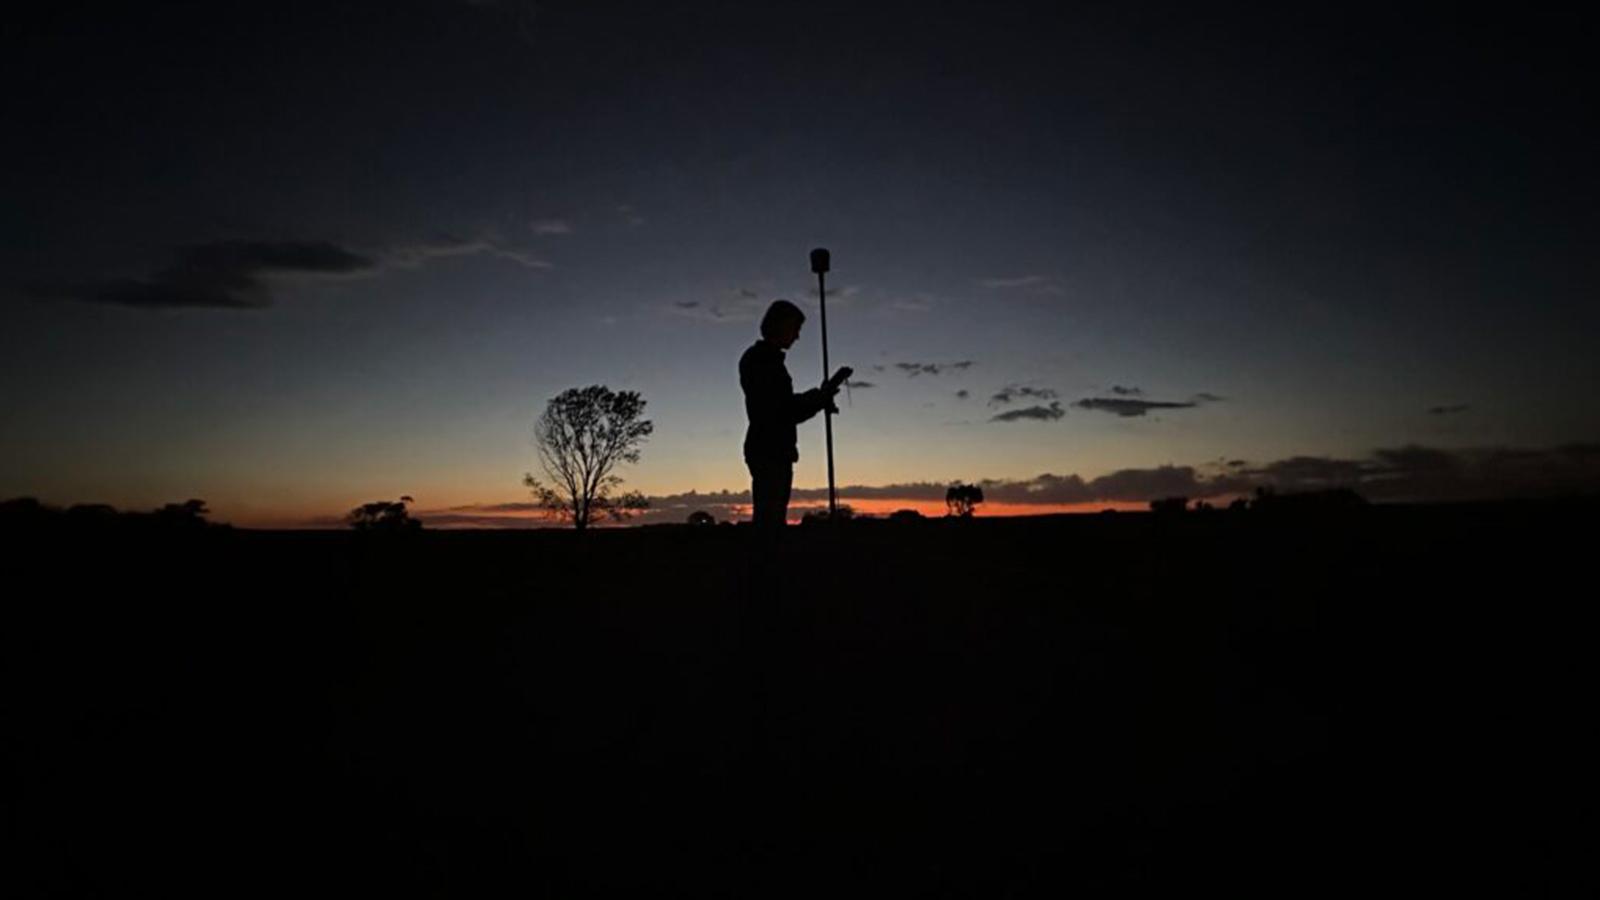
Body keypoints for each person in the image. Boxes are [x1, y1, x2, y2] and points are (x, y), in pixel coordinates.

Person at [739, 300, 851, 529]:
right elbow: (783, 410)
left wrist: (819, 398)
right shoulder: (762, 361)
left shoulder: (765, 360)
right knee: (770, 522)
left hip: (771, 448)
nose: (797, 336)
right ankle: (765, 562)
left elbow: (783, 406)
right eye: (795, 329)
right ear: (781, 326)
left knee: (771, 520)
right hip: (770, 449)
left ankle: (767, 559)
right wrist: (820, 397)